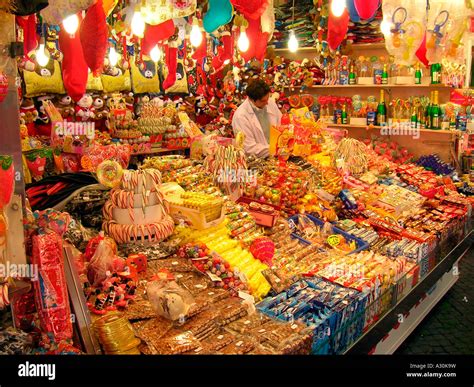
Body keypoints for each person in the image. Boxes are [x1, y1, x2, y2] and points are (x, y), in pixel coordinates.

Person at [232, 78, 282, 157]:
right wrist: (274, 150)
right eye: (263, 101)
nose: (267, 103)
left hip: (278, 152)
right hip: (258, 160)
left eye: (267, 98)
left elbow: (280, 124)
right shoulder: (241, 117)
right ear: (252, 99)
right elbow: (249, 148)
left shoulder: (270, 103)